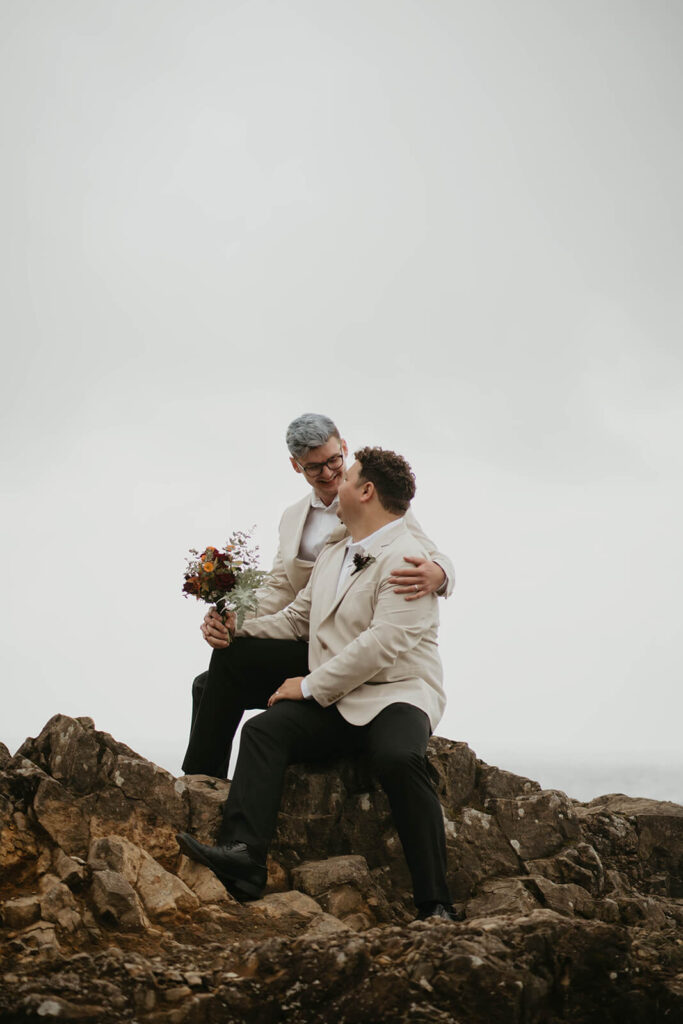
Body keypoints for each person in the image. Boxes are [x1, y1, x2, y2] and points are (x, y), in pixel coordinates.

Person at [177, 446, 456, 922]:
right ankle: (244, 859)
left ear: (366, 491)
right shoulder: (334, 550)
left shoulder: (408, 560)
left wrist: (306, 687)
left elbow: (381, 646)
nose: (334, 483)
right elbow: (295, 617)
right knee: (264, 730)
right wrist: (234, 626)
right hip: (339, 698)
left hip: (395, 693)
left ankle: (436, 903)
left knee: (399, 757)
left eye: (345, 475)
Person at [182, 413, 454, 778]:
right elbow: (279, 588)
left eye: (333, 461)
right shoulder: (293, 518)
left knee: (226, 670)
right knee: (209, 679)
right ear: (296, 467)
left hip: (348, 644)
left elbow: (423, 551)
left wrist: (441, 573)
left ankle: (203, 778)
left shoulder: (371, 503)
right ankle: (204, 782)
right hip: (300, 637)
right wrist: (234, 621)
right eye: (314, 468)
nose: (327, 474)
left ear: (344, 448)